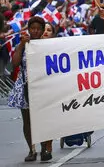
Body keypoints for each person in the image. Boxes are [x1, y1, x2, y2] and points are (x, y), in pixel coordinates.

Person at [8, 17, 53, 162]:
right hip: (25, 86)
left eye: (38, 28)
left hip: (43, 87)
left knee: (44, 119)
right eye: (32, 28)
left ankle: (44, 149)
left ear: (42, 30)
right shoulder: (23, 45)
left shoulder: (47, 45)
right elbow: (14, 64)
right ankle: (31, 150)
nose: (35, 31)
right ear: (28, 29)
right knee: (27, 121)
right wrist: (21, 45)